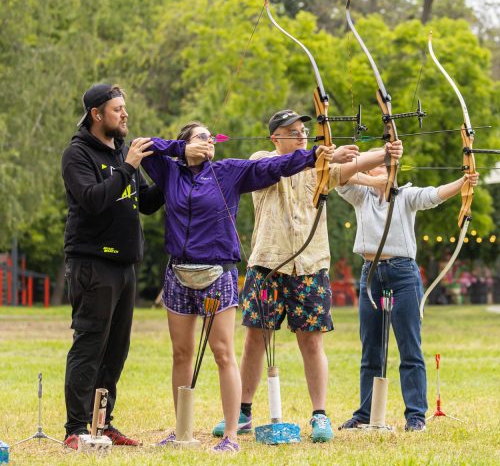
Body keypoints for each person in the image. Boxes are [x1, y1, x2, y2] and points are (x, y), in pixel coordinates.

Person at [141, 120, 332, 452]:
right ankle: (182, 429)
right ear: (187, 144)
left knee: (223, 352)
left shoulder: (228, 172)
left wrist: (312, 153)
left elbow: (276, 166)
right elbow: (142, 146)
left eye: (210, 138)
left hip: (217, 273)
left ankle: (231, 434)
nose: (209, 141)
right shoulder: (169, 172)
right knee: (181, 354)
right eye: (201, 137)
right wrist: (178, 149)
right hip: (178, 273)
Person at [214, 110, 403, 443]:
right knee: (256, 339)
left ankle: (319, 415)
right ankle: (243, 412)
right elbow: (283, 166)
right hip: (268, 264)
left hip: (311, 266)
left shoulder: (321, 168)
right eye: (292, 131)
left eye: (304, 130)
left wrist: (386, 152)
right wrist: (319, 155)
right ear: (275, 137)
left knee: (312, 342)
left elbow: (349, 168)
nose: (302, 135)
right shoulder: (261, 161)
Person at [335, 157, 479, 432]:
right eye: (366, 168)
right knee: (371, 350)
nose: (367, 170)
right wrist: (370, 178)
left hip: (402, 275)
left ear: (392, 171)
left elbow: (434, 195)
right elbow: (338, 176)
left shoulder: (407, 196)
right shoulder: (360, 195)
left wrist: (464, 182)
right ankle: (365, 414)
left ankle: (415, 416)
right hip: (370, 275)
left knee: (409, 349)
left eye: (375, 167)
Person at [61, 84, 164, 449]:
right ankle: (75, 429)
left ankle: (102, 425)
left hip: (124, 265)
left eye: (124, 108)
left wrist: (173, 174)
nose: (125, 115)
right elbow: (92, 200)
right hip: (92, 264)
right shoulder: (77, 154)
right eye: (117, 109)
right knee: (90, 344)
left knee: (116, 350)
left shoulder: (120, 153)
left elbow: (147, 203)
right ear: (97, 114)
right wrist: (127, 167)